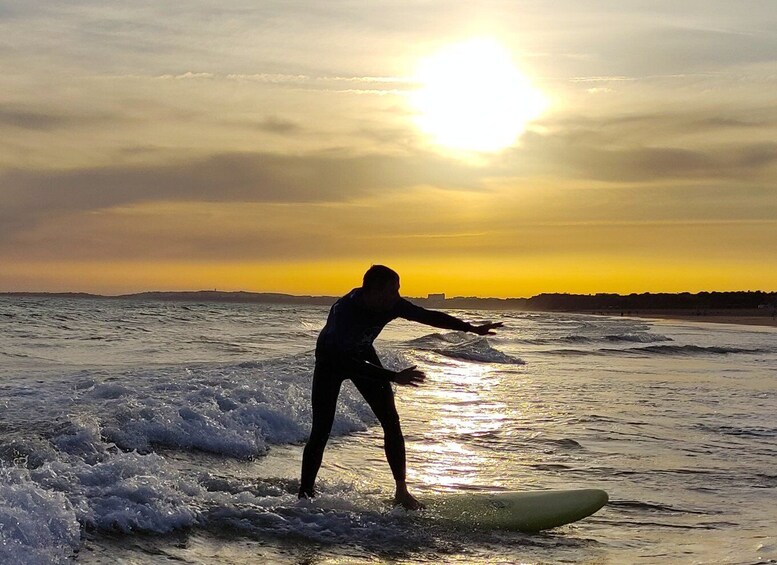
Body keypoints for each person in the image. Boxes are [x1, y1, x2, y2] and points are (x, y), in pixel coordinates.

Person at [298, 265, 502, 510]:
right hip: (332, 362)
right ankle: (305, 495)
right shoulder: (345, 312)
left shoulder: (391, 304)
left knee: (391, 422)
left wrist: (470, 328)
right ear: (374, 291)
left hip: (362, 353)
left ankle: (401, 492)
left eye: (398, 290)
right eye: (392, 290)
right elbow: (347, 363)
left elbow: (427, 316)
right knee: (321, 430)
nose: (397, 295)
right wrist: (393, 376)